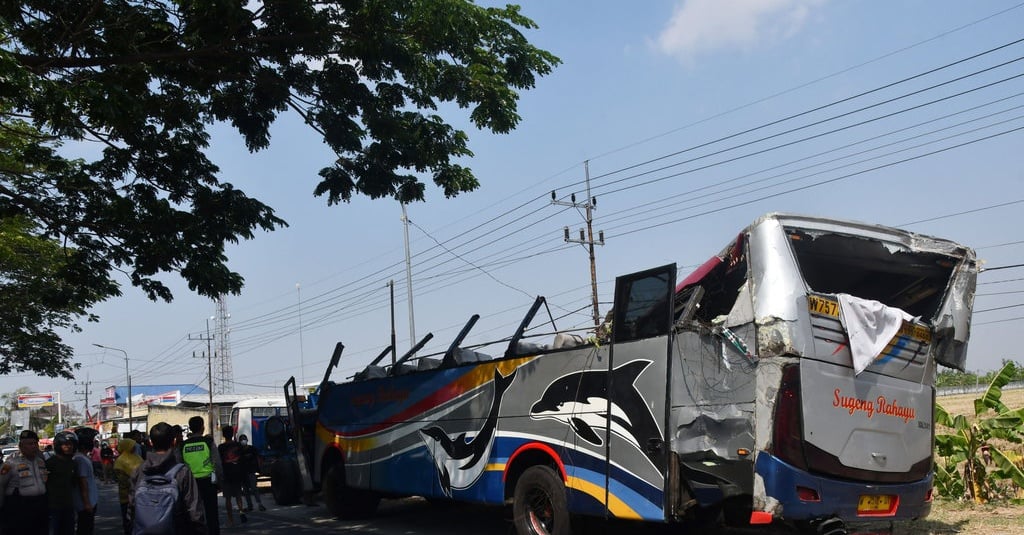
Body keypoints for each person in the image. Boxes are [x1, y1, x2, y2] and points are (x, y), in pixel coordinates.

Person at [129, 422, 206, 534]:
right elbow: (194, 511)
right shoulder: (182, 472)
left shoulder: (139, 471)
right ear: (174, 441)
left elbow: (131, 509)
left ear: (150, 442)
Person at [0, 430, 49, 535]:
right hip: (19, 509)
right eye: (30, 444)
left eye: (35, 443)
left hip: (39, 507)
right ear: (21, 446)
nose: (34, 446)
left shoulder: (40, 461)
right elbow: (1, 485)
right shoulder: (10, 464)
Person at [181, 416, 223, 535]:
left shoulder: (183, 445)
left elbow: (180, 466)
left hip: (190, 484)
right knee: (212, 514)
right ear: (202, 427)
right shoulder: (208, 442)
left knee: (192, 514)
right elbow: (217, 464)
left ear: (190, 428)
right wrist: (219, 482)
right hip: (208, 482)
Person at [45, 431, 79, 535]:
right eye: (66, 445)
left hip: (68, 506)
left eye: (71, 445)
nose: (69, 447)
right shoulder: (50, 463)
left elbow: (74, 483)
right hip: (53, 507)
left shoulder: (73, 463)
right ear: (59, 446)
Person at [113, 437, 143, 535]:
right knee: (128, 521)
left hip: (140, 494)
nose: (134, 447)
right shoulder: (120, 462)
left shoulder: (137, 457)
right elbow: (122, 481)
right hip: (127, 496)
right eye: (131, 445)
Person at [73, 428, 100, 535]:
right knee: (85, 529)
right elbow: (82, 482)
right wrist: (87, 503)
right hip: (85, 505)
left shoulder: (83, 458)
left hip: (90, 502)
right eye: (91, 440)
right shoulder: (80, 459)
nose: (93, 442)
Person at [217, 426, 246, 526]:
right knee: (238, 495)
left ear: (224, 435)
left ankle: (230, 520)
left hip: (227, 475)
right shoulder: (238, 445)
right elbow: (242, 459)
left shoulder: (221, 447)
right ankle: (241, 511)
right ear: (232, 433)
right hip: (237, 474)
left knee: (228, 498)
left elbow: (219, 462)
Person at [237, 434, 266, 512]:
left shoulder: (252, 449)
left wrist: (260, 469)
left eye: (244, 439)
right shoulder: (239, 451)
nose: (243, 441)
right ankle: (250, 505)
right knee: (246, 491)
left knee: (254, 489)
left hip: (251, 472)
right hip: (243, 473)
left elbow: (258, 459)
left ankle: (259, 504)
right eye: (242, 439)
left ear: (247, 440)